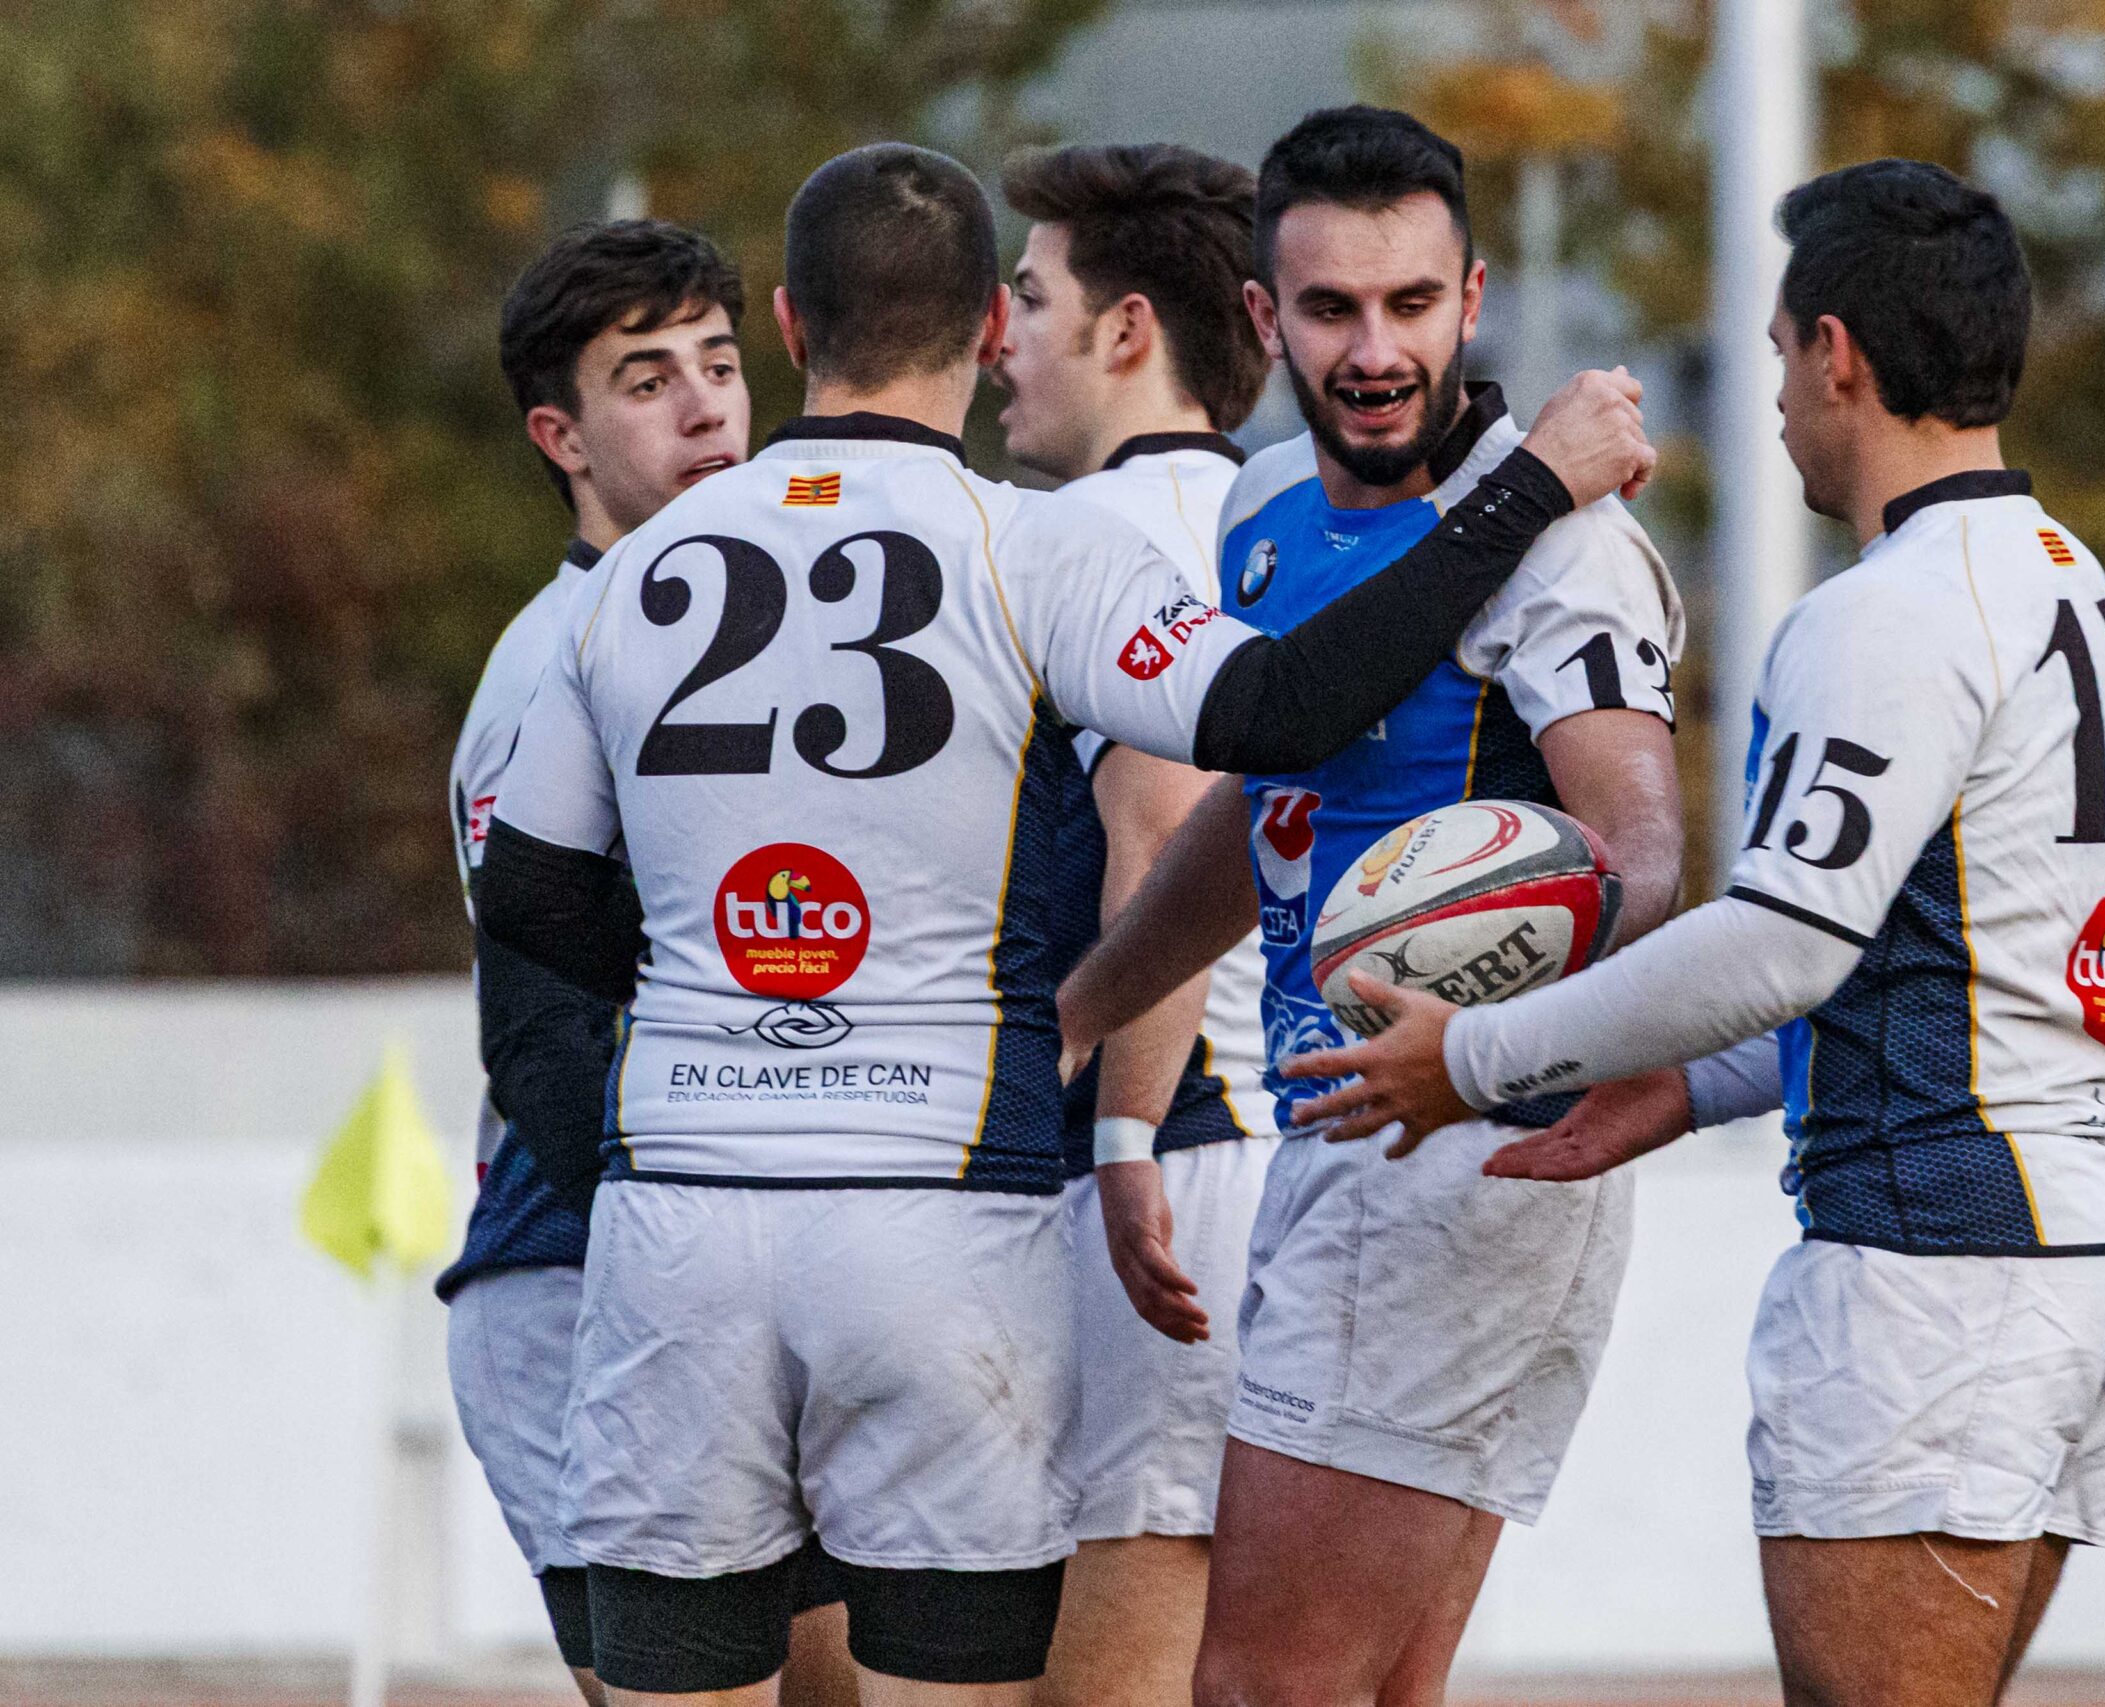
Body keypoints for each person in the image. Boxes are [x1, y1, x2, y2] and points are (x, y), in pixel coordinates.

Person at [472, 141, 1653, 1706]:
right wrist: (1526, 490)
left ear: (786, 327)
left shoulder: (627, 578)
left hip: (681, 1210)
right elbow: (1285, 707)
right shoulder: (1037, 541)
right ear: (980, 329)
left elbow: (534, 903)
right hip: (938, 1211)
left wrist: (721, 984)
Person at [1288, 159, 2105, 1707]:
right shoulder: (2073, 589)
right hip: (2091, 1240)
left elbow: (1785, 941)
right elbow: (1937, 952)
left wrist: (1478, 1058)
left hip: (1937, 1267)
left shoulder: (1892, 609)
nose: (1772, 397)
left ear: (1836, 352)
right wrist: (1683, 1087)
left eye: (1775, 353)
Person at [1052, 106, 1687, 1707]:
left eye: (1412, 304)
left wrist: (1470, 1057)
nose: (1376, 348)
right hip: (1360, 1148)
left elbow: (1645, 852)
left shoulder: (1563, 540)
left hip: (1440, 1152)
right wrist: (1089, 1003)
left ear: (1474, 301)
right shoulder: (1259, 515)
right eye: (1332, 309)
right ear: (1266, 321)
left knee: (1258, 1688)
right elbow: (1263, 812)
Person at [440, 218, 860, 1707]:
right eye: (645, 381)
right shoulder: (554, 659)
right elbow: (542, 1045)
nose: (703, 410)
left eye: (721, 364)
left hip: (745, 1278)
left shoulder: (773, 621)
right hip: (580, 1280)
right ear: (559, 435)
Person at [991, 143, 1278, 1707]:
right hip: (1254, 1157)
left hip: (1178, 1162)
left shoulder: (1117, 532)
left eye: (1030, 298)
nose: (998, 338)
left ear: (1125, 334)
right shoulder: (1268, 512)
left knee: (1118, 1656)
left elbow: (1164, 825)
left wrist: (1120, 1136)